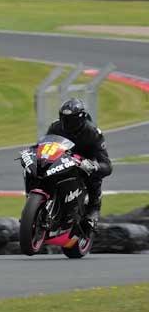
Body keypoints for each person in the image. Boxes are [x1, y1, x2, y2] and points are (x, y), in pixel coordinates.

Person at [46, 98, 113, 229]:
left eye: (71, 120)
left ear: (80, 118)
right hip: (61, 160)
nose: (67, 123)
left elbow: (107, 165)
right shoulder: (56, 127)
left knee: (93, 176)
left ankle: (93, 209)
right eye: (64, 119)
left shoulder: (93, 133)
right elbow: (45, 145)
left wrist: (94, 166)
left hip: (83, 163)